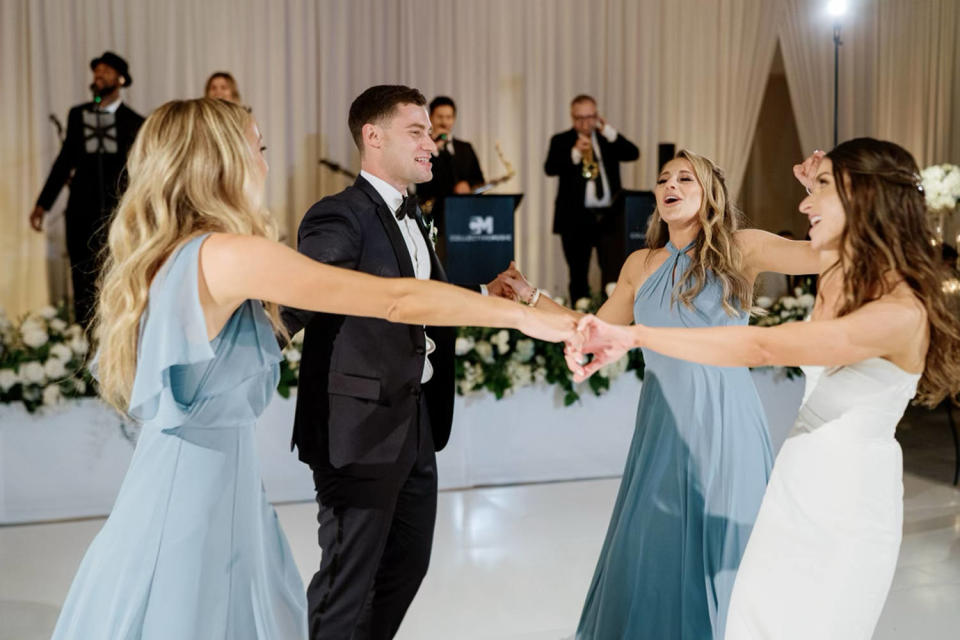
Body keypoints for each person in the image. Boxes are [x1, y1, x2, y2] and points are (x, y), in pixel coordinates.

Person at [49, 98, 574, 640]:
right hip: (196, 491)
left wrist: (492, 296)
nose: (265, 163)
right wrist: (526, 316)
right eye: (258, 148)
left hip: (197, 474)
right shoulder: (230, 254)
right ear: (222, 160)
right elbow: (394, 300)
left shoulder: (176, 253)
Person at [571, 138, 960, 640]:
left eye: (821, 188)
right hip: (799, 478)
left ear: (866, 197)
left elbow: (764, 346)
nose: (802, 203)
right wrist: (826, 198)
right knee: (758, 619)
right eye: (663, 178)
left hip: (847, 494)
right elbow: (836, 257)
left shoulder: (898, 311)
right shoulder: (848, 285)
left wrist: (637, 336)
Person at [501, 149, 821, 639]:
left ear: (710, 191)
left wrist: (818, 190)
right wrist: (528, 297)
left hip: (724, 418)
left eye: (685, 178)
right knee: (655, 545)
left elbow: (821, 254)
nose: (670, 185)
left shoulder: (742, 248)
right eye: (664, 179)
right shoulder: (640, 263)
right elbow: (590, 331)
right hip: (661, 423)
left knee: (725, 546)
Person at [281, 85, 515, 640]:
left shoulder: (416, 215)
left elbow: (423, 296)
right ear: (373, 136)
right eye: (417, 132)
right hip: (356, 431)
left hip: (414, 424)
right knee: (347, 581)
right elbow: (299, 298)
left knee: (408, 564)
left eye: (430, 134)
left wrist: (484, 293)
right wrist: (252, 339)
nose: (431, 144)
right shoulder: (338, 216)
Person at [29, 51, 145, 326]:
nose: (98, 75)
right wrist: (43, 204)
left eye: (106, 71)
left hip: (117, 212)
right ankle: (82, 341)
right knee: (81, 276)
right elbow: (64, 162)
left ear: (121, 79)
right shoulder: (79, 115)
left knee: (114, 275)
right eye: (96, 71)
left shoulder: (135, 122)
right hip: (80, 211)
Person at [544, 94, 639, 303]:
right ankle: (579, 317)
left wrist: (609, 131)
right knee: (578, 274)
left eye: (590, 116)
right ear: (572, 117)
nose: (586, 122)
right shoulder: (562, 140)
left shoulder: (606, 138)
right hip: (576, 218)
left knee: (613, 271)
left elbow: (633, 153)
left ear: (597, 116)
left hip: (609, 217)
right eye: (580, 118)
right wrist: (575, 153)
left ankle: (612, 317)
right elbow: (550, 168)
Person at [415, 96, 485, 259]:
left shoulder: (465, 148)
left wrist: (468, 185)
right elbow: (419, 183)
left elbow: (479, 179)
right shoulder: (421, 148)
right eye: (440, 117)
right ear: (430, 118)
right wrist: (435, 150)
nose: (444, 122)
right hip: (436, 219)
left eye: (448, 117)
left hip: (466, 220)